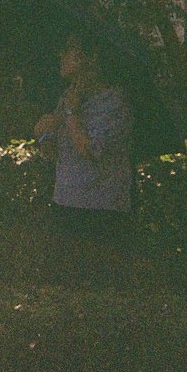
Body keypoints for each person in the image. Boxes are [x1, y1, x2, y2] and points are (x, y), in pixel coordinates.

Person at [34, 31, 134, 239]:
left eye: (69, 50)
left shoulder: (113, 102)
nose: (61, 55)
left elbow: (89, 150)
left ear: (91, 57)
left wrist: (71, 114)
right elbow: (56, 155)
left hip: (101, 211)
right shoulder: (68, 97)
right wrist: (43, 135)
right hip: (65, 203)